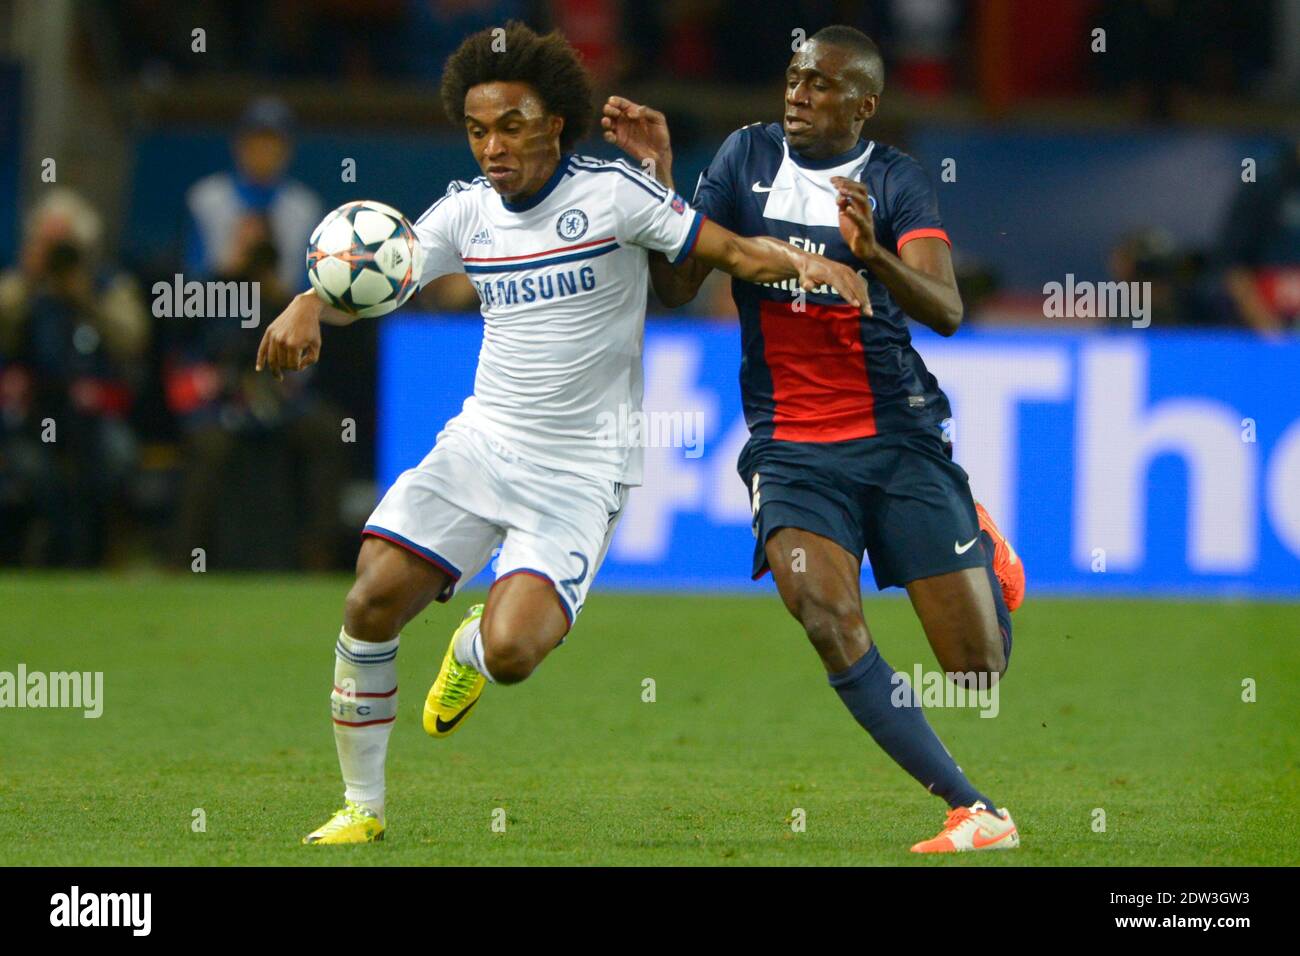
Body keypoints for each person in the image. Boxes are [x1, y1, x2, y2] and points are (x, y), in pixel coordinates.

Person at [255, 21, 870, 845]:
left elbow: (725, 250)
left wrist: (806, 264)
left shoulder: (615, 193)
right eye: (477, 130)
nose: (492, 146)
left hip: (581, 471)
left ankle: (473, 645)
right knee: (368, 600)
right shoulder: (469, 213)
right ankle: (361, 809)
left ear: (553, 122)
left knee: (513, 655)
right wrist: (306, 301)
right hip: (481, 445)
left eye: (511, 124)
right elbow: (380, 273)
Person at [602, 24, 1026, 853]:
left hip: (897, 436)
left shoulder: (895, 179)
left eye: (823, 84)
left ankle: (977, 536)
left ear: (863, 106)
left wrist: (875, 259)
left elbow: (945, 309)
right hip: (791, 447)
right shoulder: (742, 158)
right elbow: (678, 288)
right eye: (794, 76)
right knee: (825, 614)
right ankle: (972, 808)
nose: (799, 93)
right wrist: (658, 183)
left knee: (977, 673)